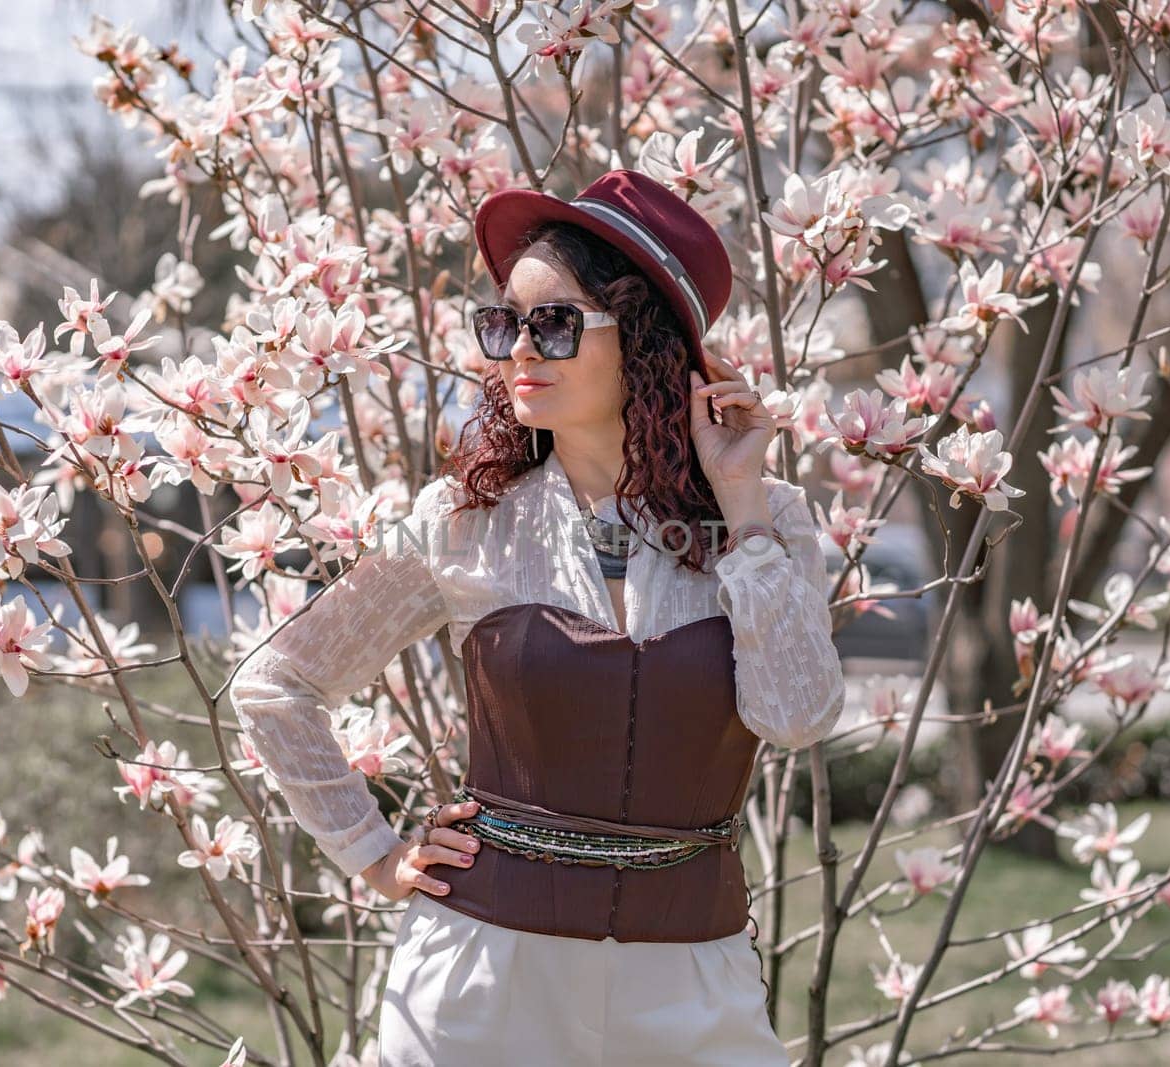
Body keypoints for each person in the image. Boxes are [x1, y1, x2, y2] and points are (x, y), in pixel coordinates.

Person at [228, 169, 845, 1065]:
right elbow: (275, 683)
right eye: (503, 324)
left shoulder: (765, 519)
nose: (518, 351)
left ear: (643, 340)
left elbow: (797, 716)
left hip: (695, 986)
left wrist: (741, 499)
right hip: (482, 983)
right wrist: (375, 854)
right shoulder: (466, 523)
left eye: (554, 324)